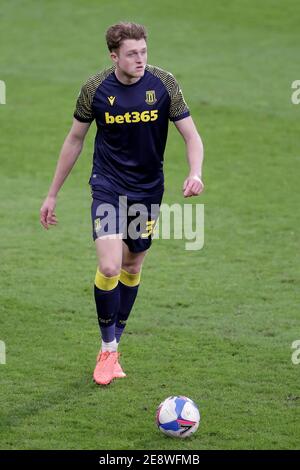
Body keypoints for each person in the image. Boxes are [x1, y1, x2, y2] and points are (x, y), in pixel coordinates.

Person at [40, 22, 204, 386]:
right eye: (132, 54)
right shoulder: (95, 89)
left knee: (132, 265)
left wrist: (196, 172)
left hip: (148, 191)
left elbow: (192, 135)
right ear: (114, 55)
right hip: (108, 186)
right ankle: (108, 348)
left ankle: (115, 346)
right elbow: (74, 140)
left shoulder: (164, 84)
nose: (140, 59)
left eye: (144, 51)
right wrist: (52, 193)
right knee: (111, 266)